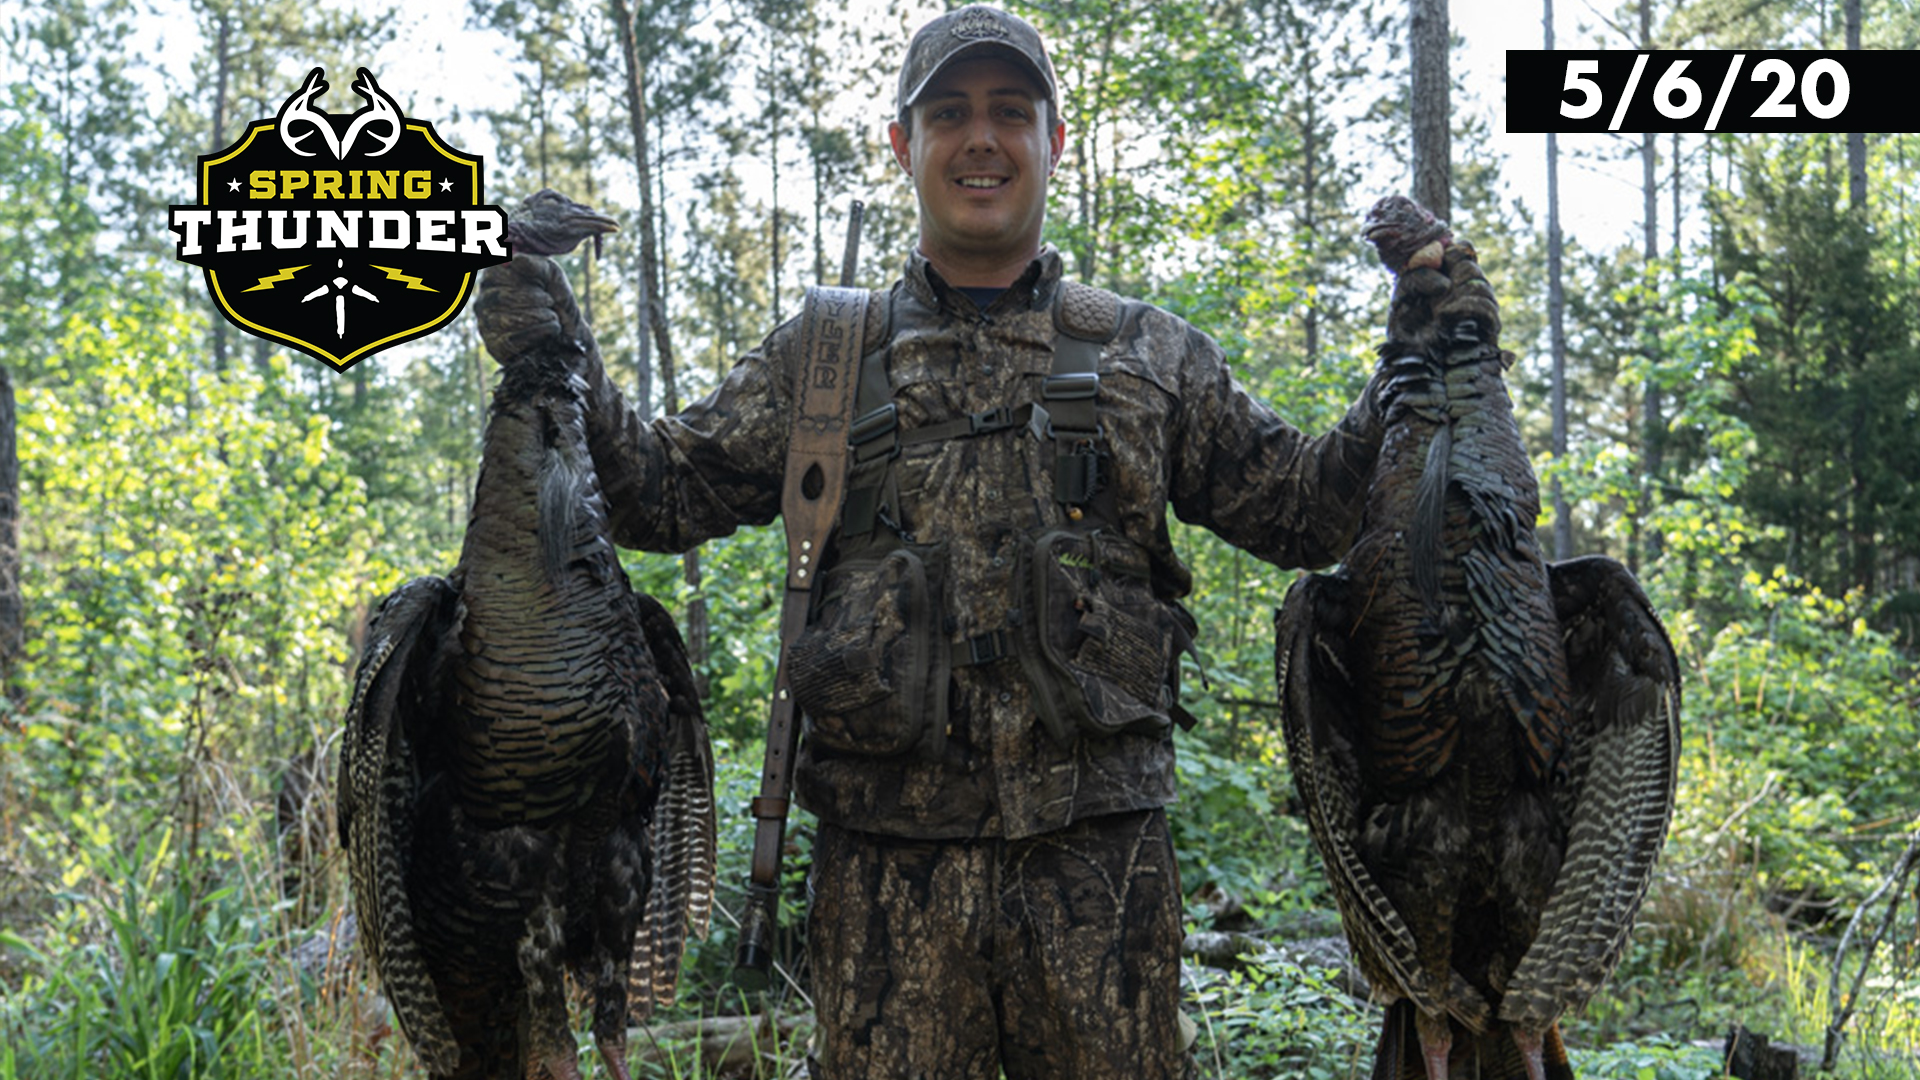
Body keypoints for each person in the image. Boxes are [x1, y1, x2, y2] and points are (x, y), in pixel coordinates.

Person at [492, 7, 1497, 1078]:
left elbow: (1304, 507)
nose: (982, 139)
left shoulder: (1149, 354)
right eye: (951, 114)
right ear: (902, 146)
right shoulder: (826, 355)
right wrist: (555, 345)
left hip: (1104, 886)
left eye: (1012, 113)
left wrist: (1418, 351)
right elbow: (659, 491)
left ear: (1055, 142)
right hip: (883, 896)